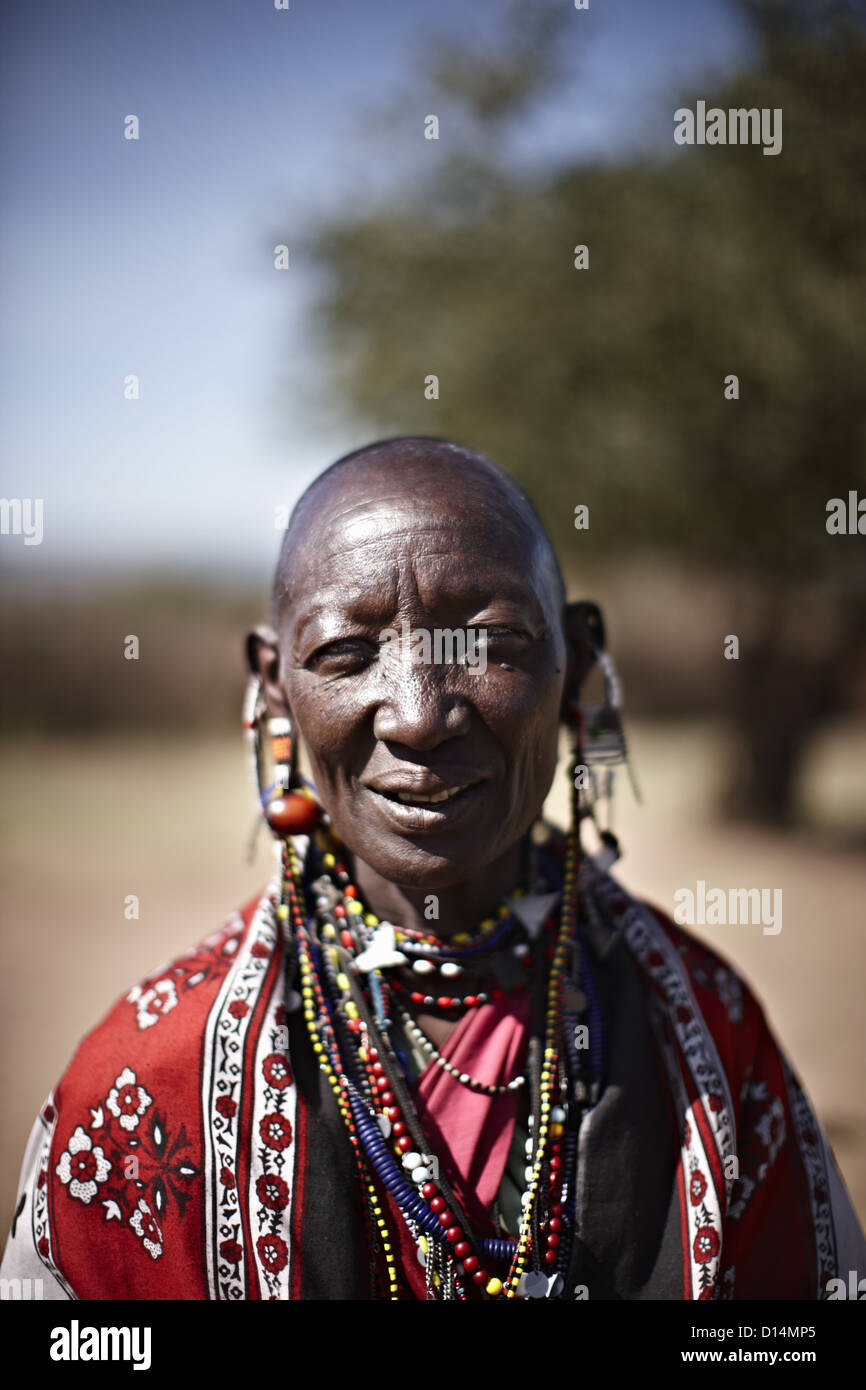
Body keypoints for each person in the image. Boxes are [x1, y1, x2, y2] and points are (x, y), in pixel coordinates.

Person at [2, 436, 863, 1301]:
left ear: (578, 666)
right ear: (272, 686)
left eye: (489, 641)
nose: (419, 716)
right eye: (344, 651)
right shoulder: (152, 1081)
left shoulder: (711, 1037)